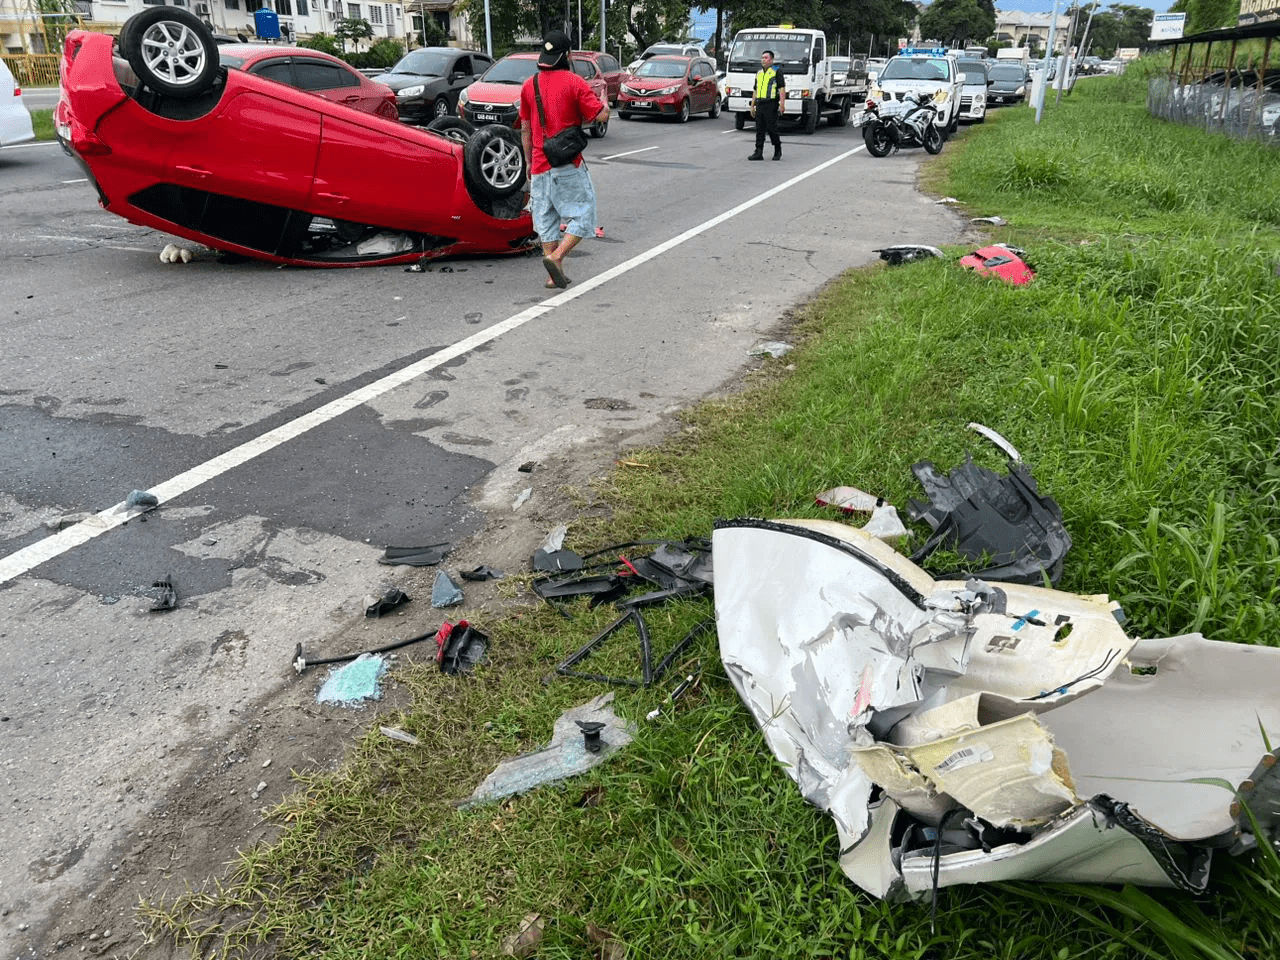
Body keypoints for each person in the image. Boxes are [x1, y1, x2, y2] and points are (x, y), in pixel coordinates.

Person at [519, 29, 610, 289]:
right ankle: (557, 256)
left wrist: (528, 162)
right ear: (567, 55)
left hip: (538, 164)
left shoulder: (529, 85)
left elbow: (525, 129)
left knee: (546, 220)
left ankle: (553, 273)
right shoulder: (574, 82)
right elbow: (600, 117)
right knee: (584, 215)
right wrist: (605, 102)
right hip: (567, 164)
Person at [748, 49, 785, 161]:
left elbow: (782, 89)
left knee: (771, 128)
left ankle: (777, 149)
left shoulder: (776, 71)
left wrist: (782, 104)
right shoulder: (759, 73)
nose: (763, 60)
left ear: (772, 60)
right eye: (762, 58)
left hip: (771, 103)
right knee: (759, 129)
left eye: (766, 58)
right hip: (760, 103)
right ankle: (758, 152)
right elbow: (755, 90)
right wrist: (752, 105)